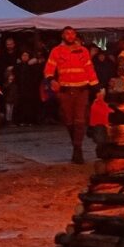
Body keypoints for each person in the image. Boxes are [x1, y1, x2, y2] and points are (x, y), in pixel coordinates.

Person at [44, 26, 103, 164]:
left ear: (75, 35)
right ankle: (77, 145)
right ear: (62, 35)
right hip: (65, 92)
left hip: (82, 90)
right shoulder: (56, 51)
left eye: (72, 33)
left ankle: (78, 149)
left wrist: (97, 88)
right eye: (67, 34)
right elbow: (48, 70)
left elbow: (90, 70)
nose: (70, 36)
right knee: (69, 121)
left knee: (80, 121)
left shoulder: (83, 51)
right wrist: (51, 80)